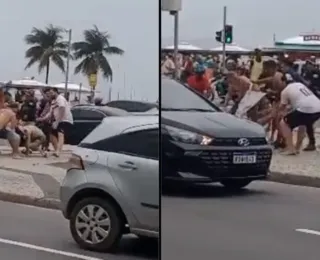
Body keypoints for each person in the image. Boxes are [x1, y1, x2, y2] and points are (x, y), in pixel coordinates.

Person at [279, 74, 320, 155]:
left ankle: (291, 149)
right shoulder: (300, 84)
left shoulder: (284, 91)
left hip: (305, 108)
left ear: (283, 82)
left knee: (284, 123)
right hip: (318, 107)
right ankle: (297, 147)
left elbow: (282, 108)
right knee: (303, 123)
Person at [41, 88, 73, 157]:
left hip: (65, 120)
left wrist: (58, 121)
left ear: (56, 92)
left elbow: (62, 109)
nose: (50, 94)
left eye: (52, 93)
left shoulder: (60, 98)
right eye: (49, 93)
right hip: (58, 120)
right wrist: (42, 119)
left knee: (60, 134)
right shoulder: (53, 101)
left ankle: (58, 151)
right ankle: (56, 150)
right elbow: (50, 113)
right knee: (52, 135)